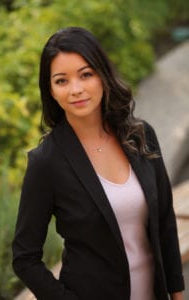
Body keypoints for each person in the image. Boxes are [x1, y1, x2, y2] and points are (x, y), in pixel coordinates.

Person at [12, 27, 185, 300]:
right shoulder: (46, 163)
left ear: (102, 75)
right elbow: (25, 258)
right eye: (61, 81)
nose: (76, 90)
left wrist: (177, 293)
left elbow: (164, 221)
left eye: (86, 74)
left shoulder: (141, 136)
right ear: (51, 90)